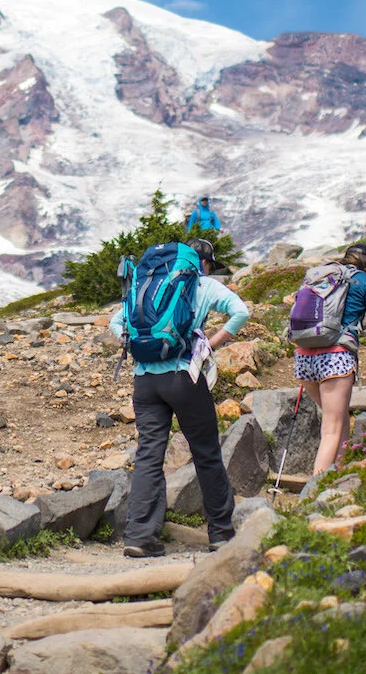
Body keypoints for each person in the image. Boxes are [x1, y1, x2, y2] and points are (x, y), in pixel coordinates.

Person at [109, 238, 245, 557]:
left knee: (148, 454)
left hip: (144, 380)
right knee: (206, 452)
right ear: (204, 263)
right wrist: (211, 342)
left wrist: (139, 346)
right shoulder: (202, 283)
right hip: (184, 376)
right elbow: (241, 311)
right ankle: (221, 534)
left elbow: (117, 323)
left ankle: (139, 536)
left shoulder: (147, 281)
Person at [295, 244, 366, 474]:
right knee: (331, 428)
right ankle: (315, 489)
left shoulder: (322, 276)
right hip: (336, 358)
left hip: (304, 356)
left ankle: (339, 471)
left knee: (338, 417)